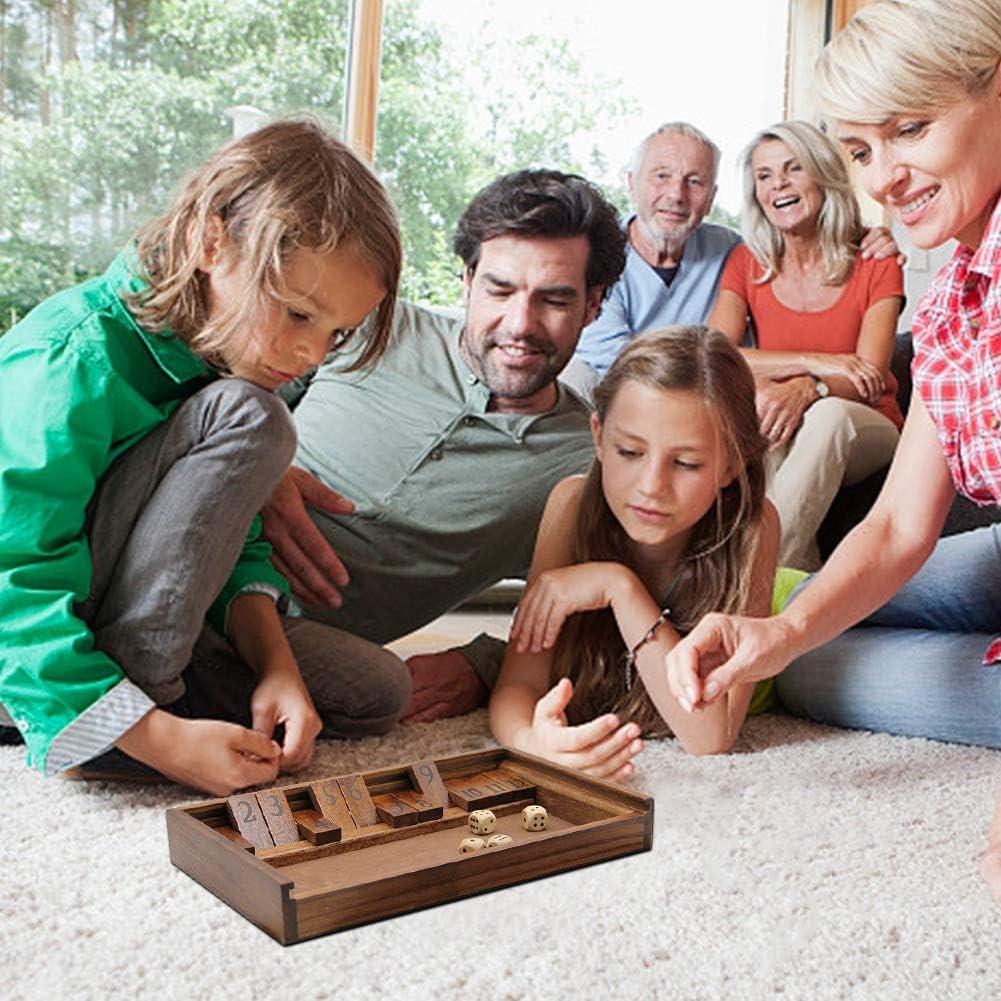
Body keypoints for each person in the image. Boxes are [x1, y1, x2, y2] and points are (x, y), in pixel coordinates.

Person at [661, 0, 1001, 902]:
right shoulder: (953, 299)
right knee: (798, 662)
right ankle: (754, 597)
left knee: (816, 667)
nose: (884, 176)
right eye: (859, 149)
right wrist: (776, 633)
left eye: (910, 129)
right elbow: (895, 526)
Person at [0, 118, 403, 797]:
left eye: (336, 333)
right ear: (210, 242)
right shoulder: (71, 356)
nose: (311, 354)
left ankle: (139, 709)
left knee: (375, 691)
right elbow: (15, 575)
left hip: (132, 617)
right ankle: (124, 721)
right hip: (29, 639)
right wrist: (161, 740)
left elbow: (223, 543)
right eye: (297, 313)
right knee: (254, 416)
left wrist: (276, 667)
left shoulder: (223, 354)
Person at [261, 169, 627, 723]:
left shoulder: (582, 461)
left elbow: (618, 622)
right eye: (499, 290)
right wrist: (258, 473)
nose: (520, 325)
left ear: (593, 305)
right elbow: (228, 395)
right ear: (467, 280)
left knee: (381, 691)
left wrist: (485, 667)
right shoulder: (371, 323)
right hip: (211, 541)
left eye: (553, 300)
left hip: (294, 640)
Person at [489, 326, 796, 781]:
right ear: (598, 436)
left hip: (794, 608)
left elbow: (709, 736)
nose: (652, 486)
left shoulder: (753, 525)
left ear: (731, 465)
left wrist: (620, 588)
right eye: (630, 451)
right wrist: (531, 741)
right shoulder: (571, 507)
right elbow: (519, 681)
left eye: (686, 463)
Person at [563, 122, 900, 401]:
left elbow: (805, 235)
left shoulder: (731, 251)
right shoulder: (596, 254)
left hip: (709, 397)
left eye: (694, 181)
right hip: (627, 387)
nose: (676, 195)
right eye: (661, 176)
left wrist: (865, 236)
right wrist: (812, 363)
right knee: (575, 377)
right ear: (631, 184)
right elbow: (620, 361)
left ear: (711, 197)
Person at [708, 120, 904, 569]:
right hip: (787, 416)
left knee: (826, 416)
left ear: (822, 174)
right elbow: (715, 355)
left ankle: (754, 574)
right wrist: (811, 363)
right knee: (764, 415)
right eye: (764, 175)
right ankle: (796, 578)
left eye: (793, 168)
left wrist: (810, 388)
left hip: (867, 423)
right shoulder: (747, 262)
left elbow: (870, 376)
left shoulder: (875, 260)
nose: (778, 184)